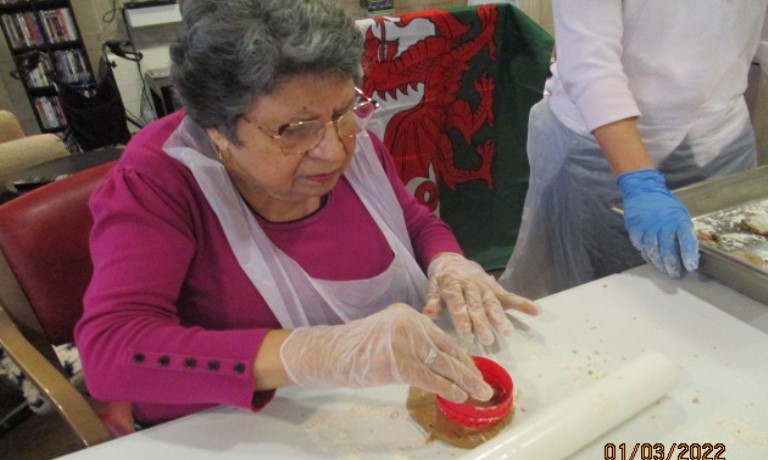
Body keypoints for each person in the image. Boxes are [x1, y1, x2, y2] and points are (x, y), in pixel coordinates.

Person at [74, 0, 539, 428]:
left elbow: (412, 221)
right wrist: (315, 353)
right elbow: (112, 354)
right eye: (295, 131)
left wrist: (447, 261)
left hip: (385, 407)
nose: (334, 150)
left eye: (344, 110)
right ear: (217, 129)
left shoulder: (351, 139)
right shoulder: (159, 179)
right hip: (246, 433)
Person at [499, 0, 768, 299]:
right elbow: (590, 65)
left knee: (723, 300)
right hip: (599, 148)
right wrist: (639, 181)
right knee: (592, 298)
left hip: (720, 138)